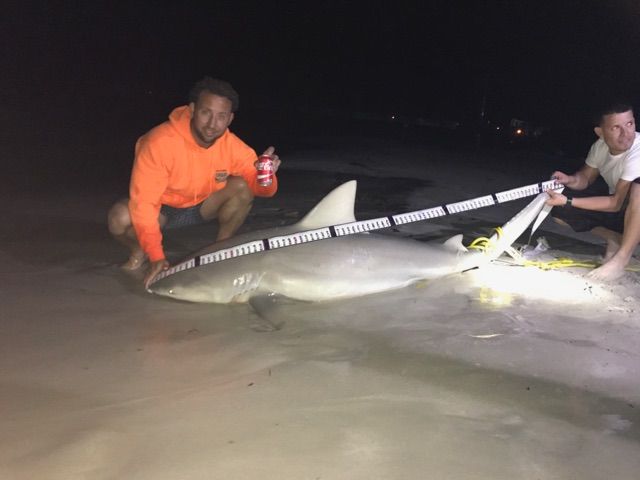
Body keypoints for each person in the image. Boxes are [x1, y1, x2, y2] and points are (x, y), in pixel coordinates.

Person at [108, 77, 281, 288]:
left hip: (203, 206)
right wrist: (156, 256)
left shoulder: (234, 147)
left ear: (230, 119)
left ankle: (220, 249)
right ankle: (139, 251)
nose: (212, 124)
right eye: (206, 112)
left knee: (242, 187)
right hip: (162, 210)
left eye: (221, 116)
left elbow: (262, 190)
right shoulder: (158, 142)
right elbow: (144, 203)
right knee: (119, 218)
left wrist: (266, 176)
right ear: (192, 110)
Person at [545, 102, 640, 280]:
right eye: (616, 128)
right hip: (624, 213)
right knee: (560, 210)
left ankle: (621, 260)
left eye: (630, 124)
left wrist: (568, 200)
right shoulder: (600, 147)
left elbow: (615, 203)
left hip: (629, 208)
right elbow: (586, 178)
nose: (626, 133)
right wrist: (569, 179)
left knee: (639, 188)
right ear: (600, 133)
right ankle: (614, 239)